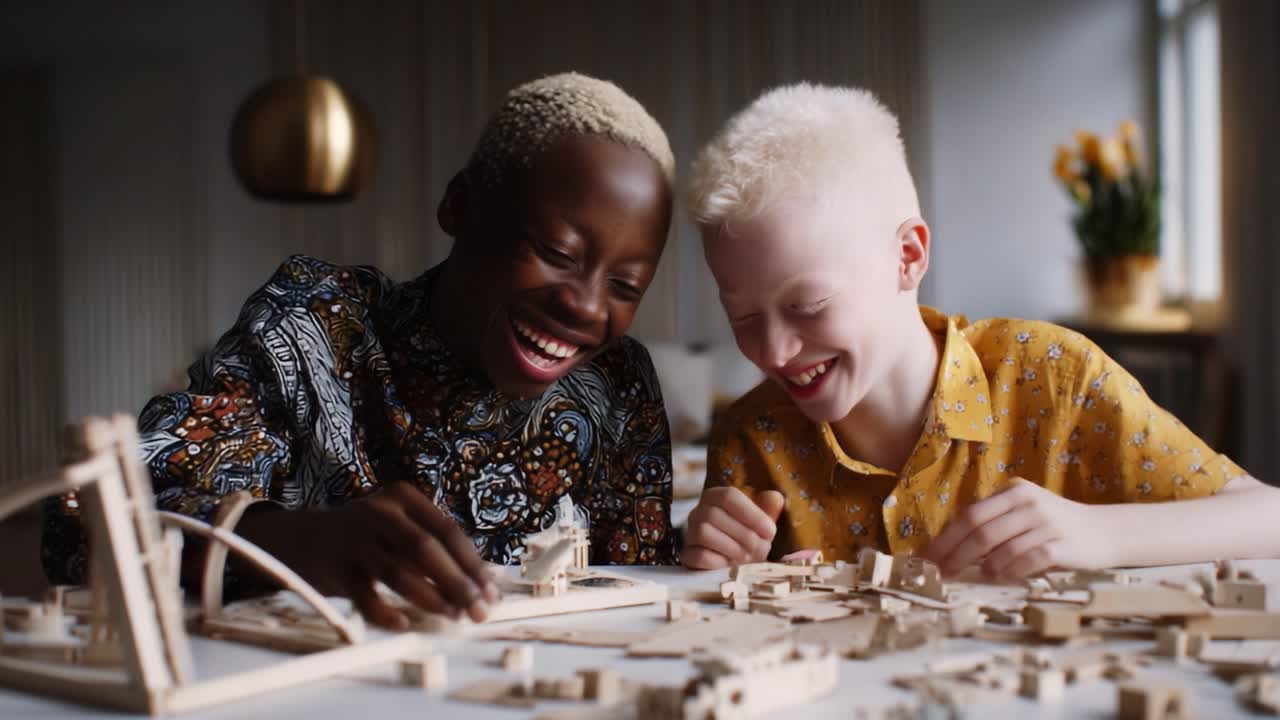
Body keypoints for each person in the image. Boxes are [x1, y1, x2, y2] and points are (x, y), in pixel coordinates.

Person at [43, 72, 680, 629]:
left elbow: (642, 590)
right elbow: (84, 523)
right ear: (460, 206)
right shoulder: (315, 326)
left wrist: (701, 551)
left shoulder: (618, 385)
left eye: (626, 286)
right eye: (557, 254)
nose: (590, 308)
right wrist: (299, 543)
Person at [680, 82, 1280, 578]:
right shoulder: (748, 440)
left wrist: (1101, 535)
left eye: (809, 305)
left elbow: (1268, 517)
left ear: (908, 257)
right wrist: (711, 558)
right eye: (744, 318)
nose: (774, 350)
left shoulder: (1056, 379)